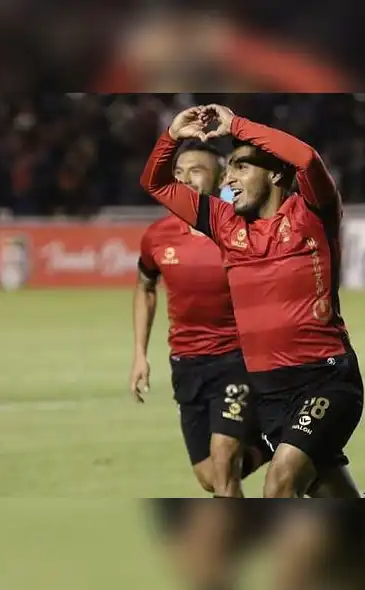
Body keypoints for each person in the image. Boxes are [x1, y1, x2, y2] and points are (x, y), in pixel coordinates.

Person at [141, 104, 365, 499]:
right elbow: (157, 184)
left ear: (276, 173)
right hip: (269, 395)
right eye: (227, 170)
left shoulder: (313, 213)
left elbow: (306, 158)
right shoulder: (225, 225)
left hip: (326, 380)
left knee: (278, 487)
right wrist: (172, 136)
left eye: (241, 167)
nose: (228, 179)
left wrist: (236, 126)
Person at [131, 140, 272, 498]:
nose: (185, 180)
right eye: (179, 173)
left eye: (196, 170)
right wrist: (139, 355)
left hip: (236, 361)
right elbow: (145, 287)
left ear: (221, 176)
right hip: (187, 366)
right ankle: (276, 444)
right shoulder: (158, 236)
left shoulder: (243, 230)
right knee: (211, 476)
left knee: (224, 463)